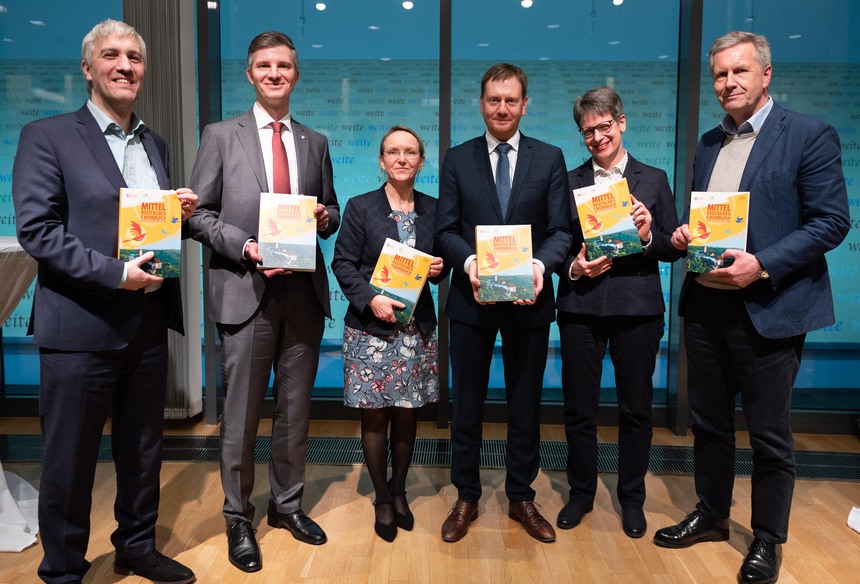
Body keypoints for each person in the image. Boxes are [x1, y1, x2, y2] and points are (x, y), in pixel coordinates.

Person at [654, 32, 850, 584]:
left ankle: (768, 538)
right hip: (707, 306)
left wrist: (760, 263)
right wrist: (687, 235)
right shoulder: (708, 144)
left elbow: (831, 221)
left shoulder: (809, 135)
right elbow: (712, 221)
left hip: (771, 306)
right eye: (720, 74)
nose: (728, 83)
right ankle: (712, 514)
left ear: (766, 75)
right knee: (709, 424)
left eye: (739, 71)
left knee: (769, 435)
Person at [12, 19, 197, 584]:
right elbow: (38, 231)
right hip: (79, 327)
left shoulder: (155, 142)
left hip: (145, 325)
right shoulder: (47, 135)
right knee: (70, 459)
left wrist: (177, 216)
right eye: (112, 55)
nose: (125, 65)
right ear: (87, 67)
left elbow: (144, 228)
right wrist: (116, 275)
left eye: (135, 57)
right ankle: (63, 568)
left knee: (143, 453)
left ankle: (136, 548)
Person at [187, 31, 339, 573]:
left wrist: (326, 217)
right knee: (241, 413)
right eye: (264, 66)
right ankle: (237, 514)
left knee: (295, 411)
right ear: (249, 74)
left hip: (301, 294)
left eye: (284, 66)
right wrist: (247, 246)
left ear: (295, 74)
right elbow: (197, 215)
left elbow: (333, 211)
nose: (275, 74)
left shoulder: (314, 141)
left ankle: (287, 505)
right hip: (244, 292)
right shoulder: (221, 135)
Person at [435, 63, 572, 544]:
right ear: (481, 102)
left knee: (524, 406)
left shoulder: (549, 158)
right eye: (494, 99)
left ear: (525, 104)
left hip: (530, 301)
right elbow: (445, 230)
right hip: (470, 301)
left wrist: (540, 267)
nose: (502, 108)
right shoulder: (457, 159)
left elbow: (561, 231)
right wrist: (470, 263)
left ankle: (521, 496)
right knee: (467, 406)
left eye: (511, 100)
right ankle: (466, 496)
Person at [556, 86, 682, 539]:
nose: (597, 137)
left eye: (604, 126)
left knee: (636, 410)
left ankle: (632, 499)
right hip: (581, 308)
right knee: (578, 410)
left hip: (638, 309)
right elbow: (555, 245)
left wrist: (648, 235)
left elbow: (672, 247)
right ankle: (580, 494)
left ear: (621, 122)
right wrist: (574, 264)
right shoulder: (567, 182)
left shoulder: (654, 178)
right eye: (587, 131)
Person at [331, 126, 447, 542]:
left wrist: (439, 268)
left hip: (416, 330)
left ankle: (400, 491)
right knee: (375, 415)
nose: (402, 158)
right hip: (371, 331)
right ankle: (381, 497)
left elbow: (442, 261)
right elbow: (343, 263)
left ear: (421, 160)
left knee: (408, 414)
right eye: (393, 152)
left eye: (410, 152)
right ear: (381, 160)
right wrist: (369, 299)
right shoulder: (361, 207)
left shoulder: (434, 209)